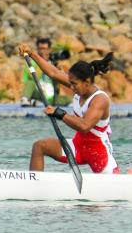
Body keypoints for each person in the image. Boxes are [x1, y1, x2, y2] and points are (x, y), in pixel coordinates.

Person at [19, 44, 119, 174]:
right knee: (40, 146)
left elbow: (85, 126)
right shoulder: (79, 86)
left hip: (98, 154)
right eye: (70, 82)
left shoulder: (100, 100)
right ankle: (34, 185)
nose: (71, 88)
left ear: (87, 82)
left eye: (74, 84)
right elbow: (53, 73)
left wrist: (59, 113)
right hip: (78, 146)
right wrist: (32, 53)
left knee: (114, 186)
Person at [20, 38, 71, 107]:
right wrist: (43, 65)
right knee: (30, 83)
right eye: (40, 49)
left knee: (71, 99)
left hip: (52, 97)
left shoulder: (55, 63)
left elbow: (64, 82)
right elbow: (29, 81)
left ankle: (37, 103)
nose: (42, 51)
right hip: (38, 93)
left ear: (49, 50)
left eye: (45, 49)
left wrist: (59, 69)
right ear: (37, 49)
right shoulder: (31, 63)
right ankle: (26, 100)